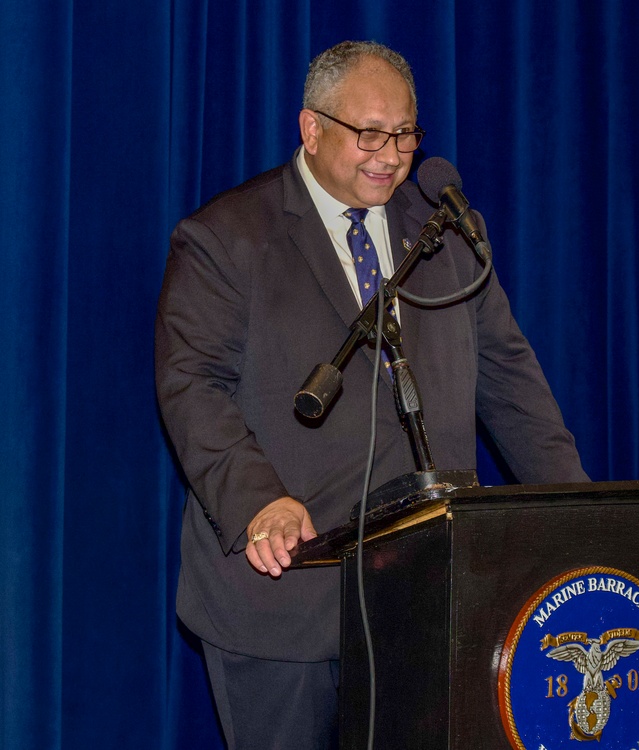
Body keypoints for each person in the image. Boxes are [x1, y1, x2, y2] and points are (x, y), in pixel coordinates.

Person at [155, 40, 587, 749]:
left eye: (406, 133)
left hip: (426, 600)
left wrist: (579, 516)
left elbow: (513, 385)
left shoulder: (448, 233)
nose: (390, 154)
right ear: (312, 127)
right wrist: (257, 499)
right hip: (283, 602)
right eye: (370, 134)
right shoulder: (226, 238)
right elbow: (189, 385)